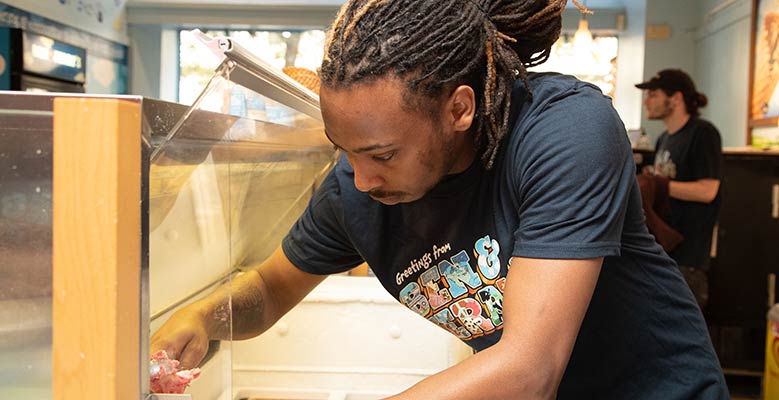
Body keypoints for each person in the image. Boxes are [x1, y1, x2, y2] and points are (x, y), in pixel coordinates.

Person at [151, 1, 729, 398]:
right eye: (343, 151)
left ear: (459, 109)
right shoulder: (354, 193)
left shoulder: (563, 131)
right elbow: (272, 287)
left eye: (381, 153)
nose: (360, 179)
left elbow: (528, 370)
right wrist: (204, 318)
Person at [635, 69, 723, 309]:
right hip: (665, 254)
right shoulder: (664, 138)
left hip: (688, 259)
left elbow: (707, 191)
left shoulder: (702, 133)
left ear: (675, 99)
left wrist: (661, 185)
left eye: (653, 94)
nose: (646, 101)